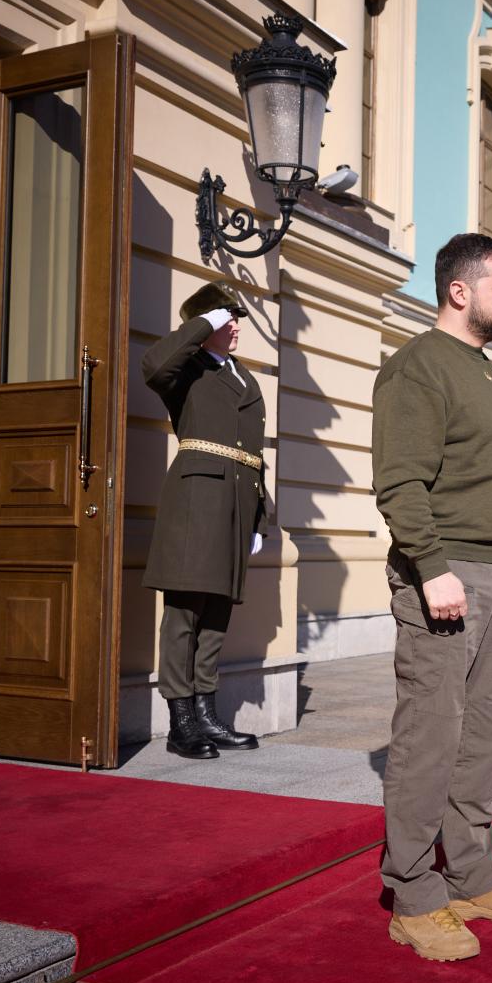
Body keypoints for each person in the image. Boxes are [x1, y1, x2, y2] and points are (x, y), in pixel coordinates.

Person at [371, 233, 492, 962]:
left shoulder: (487, 372)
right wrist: (431, 566)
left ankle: (472, 875)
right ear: (460, 291)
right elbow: (400, 482)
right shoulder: (417, 368)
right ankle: (412, 894)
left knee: (483, 738)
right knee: (428, 740)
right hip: (440, 577)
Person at [141, 281, 270, 759]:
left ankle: (207, 715)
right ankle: (181, 723)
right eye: (225, 318)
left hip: (237, 504)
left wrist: (261, 516)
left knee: (216, 613)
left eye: (235, 318)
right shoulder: (187, 371)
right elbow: (152, 366)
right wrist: (200, 324)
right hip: (196, 500)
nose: (235, 325)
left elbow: (253, 454)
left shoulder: (244, 378)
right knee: (184, 613)